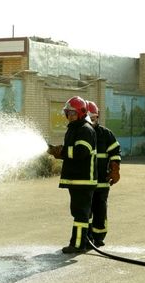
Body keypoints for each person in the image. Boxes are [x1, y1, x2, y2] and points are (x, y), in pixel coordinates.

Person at [47, 96, 97, 254]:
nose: (70, 116)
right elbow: (71, 152)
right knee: (83, 212)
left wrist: (61, 151)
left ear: (81, 113)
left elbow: (81, 152)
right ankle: (88, 241)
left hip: (83, 179)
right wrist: (57, 151)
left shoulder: (85, 129)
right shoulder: (75, 128)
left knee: (80, 213)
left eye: (73, 113)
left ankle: (77, 245)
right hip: (77, 178)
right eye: (68, 112)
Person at [86, 101, 121, 247]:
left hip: (101, 182)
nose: (91, 122)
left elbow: (115, 152)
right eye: (89, 119)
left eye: (93, 118)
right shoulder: (80, 134)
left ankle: (99, 237)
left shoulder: (106, 134)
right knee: (85, 212)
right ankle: (86, 238)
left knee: (100, 210)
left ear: (97, 117)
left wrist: (115, 169)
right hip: (85, 183)